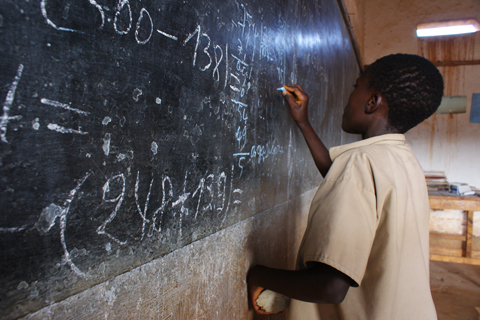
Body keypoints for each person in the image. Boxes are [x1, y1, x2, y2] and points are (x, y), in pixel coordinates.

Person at [247, 53, 444, 319]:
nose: (349, 96)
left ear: (372, 102)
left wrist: (258, 274)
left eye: (356, 87)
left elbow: (329, 288)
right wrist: (303, 123)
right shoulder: (402, 159)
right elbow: (341, 178)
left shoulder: (360, 163)